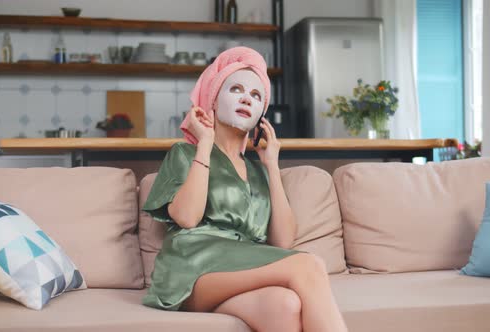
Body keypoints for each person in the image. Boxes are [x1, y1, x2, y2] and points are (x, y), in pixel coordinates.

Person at [142, 47, 348, 332]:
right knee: (309, 265)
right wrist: (204, 143)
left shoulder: (257, 171)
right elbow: (187, 218)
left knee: (284, 306)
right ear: (213, 101)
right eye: (236, 89)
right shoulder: (185, 153)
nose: (245, 98)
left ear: (261, 117)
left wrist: (272, 167)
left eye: (255, 95)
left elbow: (283, 243)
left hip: (235, 271)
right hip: (192, 271)